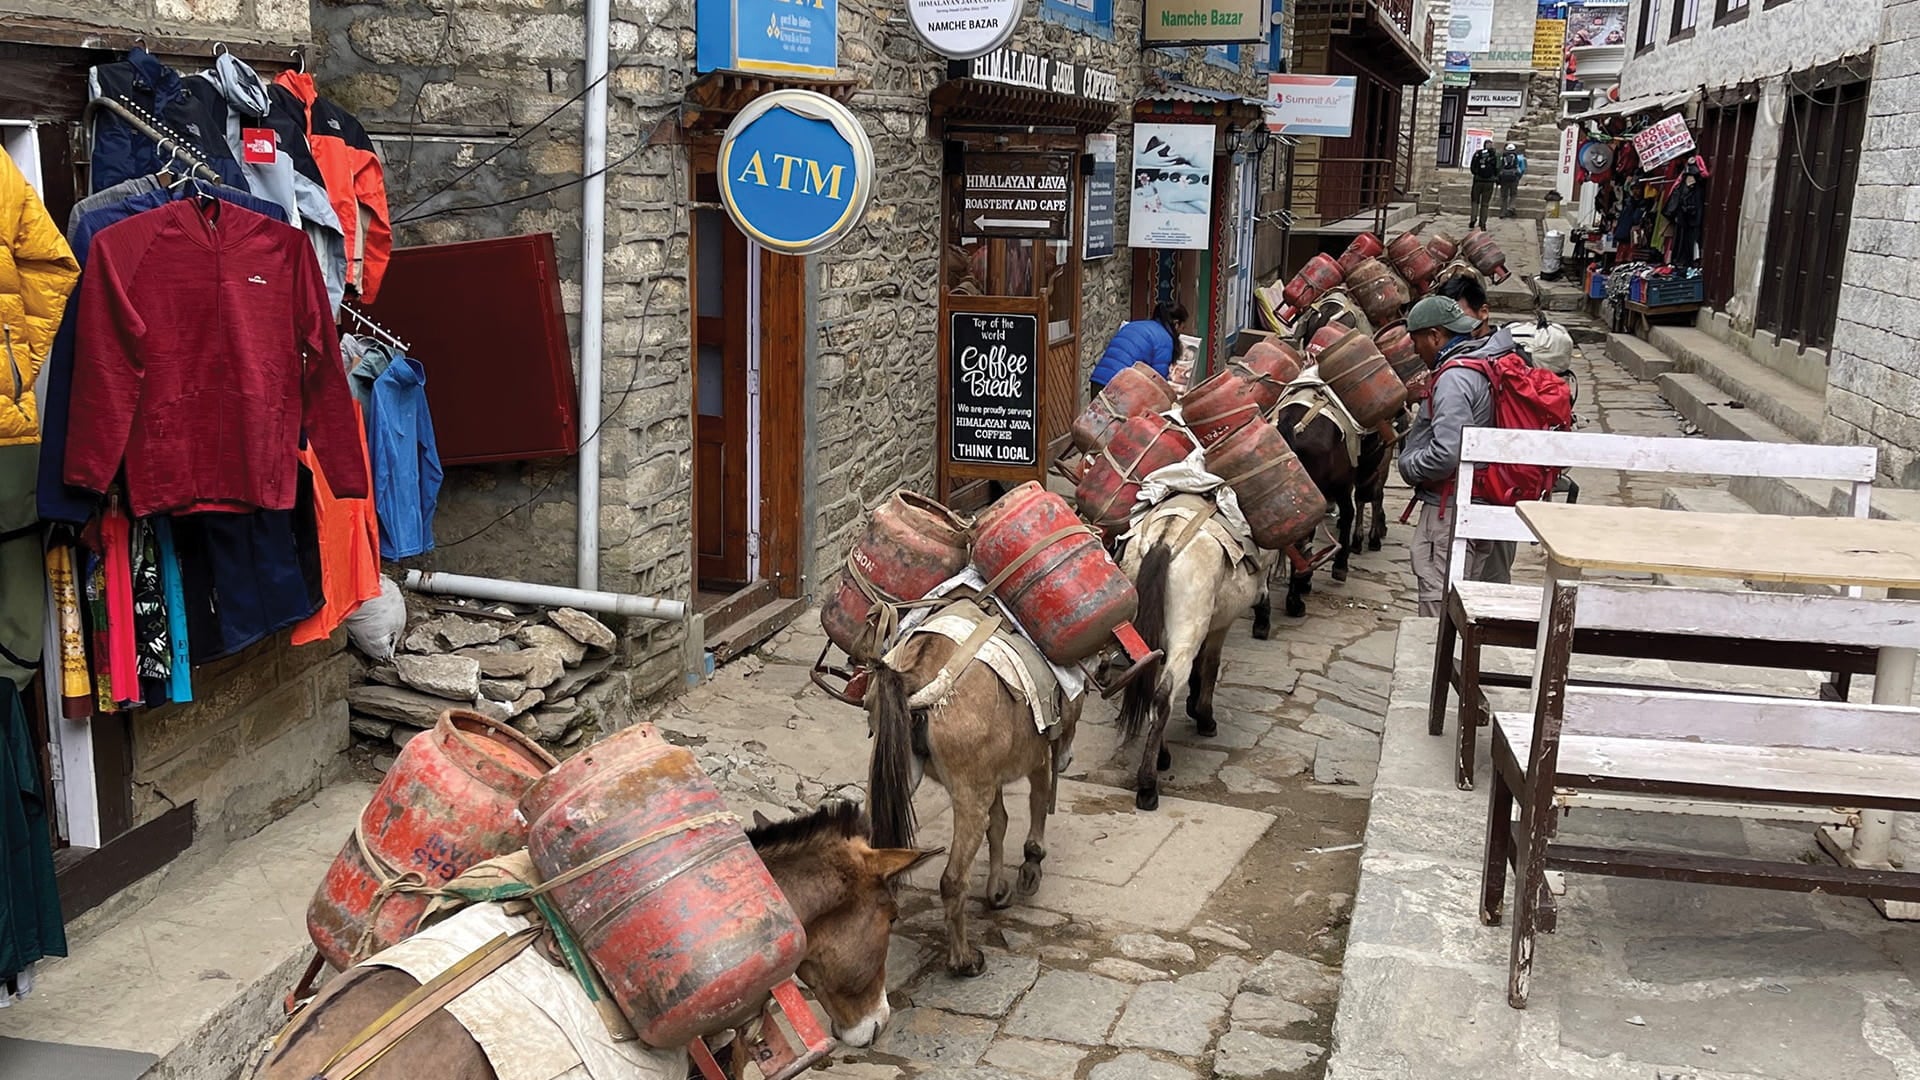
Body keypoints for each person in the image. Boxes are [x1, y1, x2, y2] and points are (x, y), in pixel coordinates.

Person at [1398, 296, 1520, 617]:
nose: (1415, 350)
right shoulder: (1486, 362)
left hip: (1451, 510)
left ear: (1435, 336)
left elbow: (1447, 453)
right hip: (1479, 501)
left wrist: (1409, 465)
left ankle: (1435, 651)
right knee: (1465, 602)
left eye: (1416, 340)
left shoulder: (1454, 379)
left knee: (1438, 604)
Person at [1089, 301, 1187, 396]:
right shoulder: (1164, 339)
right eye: (1182, 328)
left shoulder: (1133, 325)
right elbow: (1158, 379)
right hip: (1121, 389)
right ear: (1176, 324)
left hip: (1098, 381)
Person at [1468, 143, 1499, 230]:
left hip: (1478, 181)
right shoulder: (1494, 155)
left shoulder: (1478, 154)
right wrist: (1495, 177)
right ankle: (1482, 223)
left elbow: (1472, 167)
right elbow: (1497, 168)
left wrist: (1477, 174)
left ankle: (1473, 218)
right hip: (1489, 182)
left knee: (1475, 201)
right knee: (1485, 204)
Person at [1498, 142, 1527, 219]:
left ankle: (1503, 212)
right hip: (1514, 177)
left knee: (1504, 196)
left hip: (1504, 177)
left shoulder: (1502, 157)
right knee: (1513, 194)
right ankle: (1511, 207)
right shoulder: (1519, 157)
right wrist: (1518, 177)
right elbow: (1522, 169)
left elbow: (1499, 167)